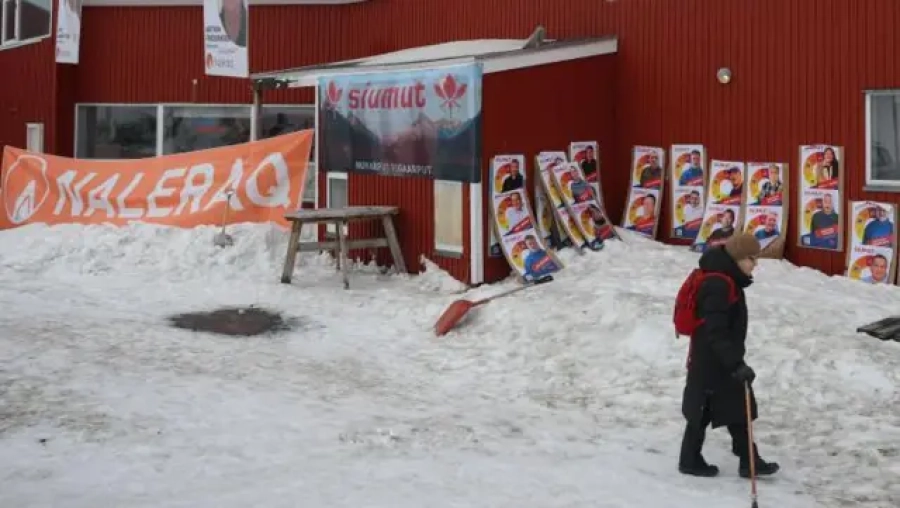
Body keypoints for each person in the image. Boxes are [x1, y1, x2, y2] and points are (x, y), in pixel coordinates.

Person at [679, 233, 780, 479]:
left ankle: (748, 461)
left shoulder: (726, 279)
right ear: (737, 258)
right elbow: (716, 330)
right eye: (751, 259)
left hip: (718, 356)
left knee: (736, 407)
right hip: (712, 358)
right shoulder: (719, 284)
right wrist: (735, 363)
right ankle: (692, 460)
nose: (755, 264)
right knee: (704, 411)